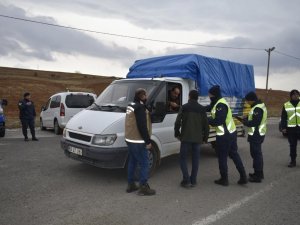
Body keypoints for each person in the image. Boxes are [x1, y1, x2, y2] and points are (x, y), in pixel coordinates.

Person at [207, 85, 247, 186]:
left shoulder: (220, 105)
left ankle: (224, 179)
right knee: (234, 154)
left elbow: (218, 120)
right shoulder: (217, 103)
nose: (209, 97)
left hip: (225, 135)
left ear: (214, 95)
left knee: (222, 157)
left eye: (210, 95)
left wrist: (206, 120)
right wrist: (197, 108)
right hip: (231, 133)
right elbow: (208, 107)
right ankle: (243, 177)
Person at [174, 90, 209, 188]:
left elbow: (177, 122)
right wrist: (205, 138)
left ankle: (186, 180)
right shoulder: (202, 109)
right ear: (197, 98)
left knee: (183, 158)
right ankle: (193, 180)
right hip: (197, 139)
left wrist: (177, 133)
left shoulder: (184, 107)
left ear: (189, 96)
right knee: (195, 159)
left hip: (185, 138)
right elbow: (206, 125)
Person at [125, 88, 156, 196]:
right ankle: (143, 187)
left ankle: (131, 184)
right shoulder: (139, 107)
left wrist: (146, 106)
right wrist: (148, 141)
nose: (147, 96)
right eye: (145, 95)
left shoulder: (132, 104)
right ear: (142, 96)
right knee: (144, 163)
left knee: (133, 161)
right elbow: (142, 125)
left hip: (129, 138)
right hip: (138, 140)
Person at [236, 92, 267, 182]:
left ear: (251, 100)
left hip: (256, 134)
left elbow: (255, 122)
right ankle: (259, 173)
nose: (247, 102)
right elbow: (254, 119)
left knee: (256, 155)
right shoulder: (258, 106)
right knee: (257, 154)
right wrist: (246, 118)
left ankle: (257, 176)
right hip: (257, 134)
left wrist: (244, 122)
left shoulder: (257, 108)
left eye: (247, 100)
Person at [280, 89, 300, 168]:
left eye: (297, 94)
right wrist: (283, 127)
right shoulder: (286, 105)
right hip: (291, 129)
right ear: (291, 96)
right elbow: (283, 117)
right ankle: (293, 161)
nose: (296, 96)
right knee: (292, 146)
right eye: (294, 94)